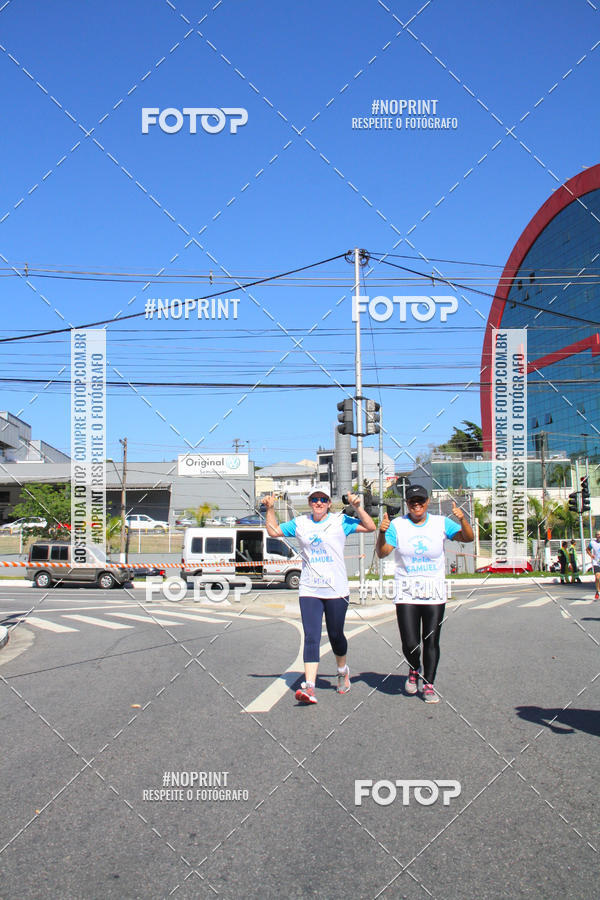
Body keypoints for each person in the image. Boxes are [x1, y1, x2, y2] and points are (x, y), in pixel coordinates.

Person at [264, 486, 375, 705]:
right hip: (309, 589)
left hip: (336, 589)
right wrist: (270, 509)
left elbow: (370, 527)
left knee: (336, 635)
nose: (318, 503)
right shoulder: (300, 523)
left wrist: (358, 508)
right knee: (312, 636)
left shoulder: (340, 521)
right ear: (309, 502)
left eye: (323, 499)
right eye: (314, 499)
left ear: (329, 503)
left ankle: (342, 670)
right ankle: (310, 687)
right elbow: (273, 531)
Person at [375, 485, 473, 704]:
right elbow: (382, 553)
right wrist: (381, 533)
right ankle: (414, 668)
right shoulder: (397, 525)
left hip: (434, 592)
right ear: (407, 504)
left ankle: (429, 684)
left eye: (420, 501)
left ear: (427, 502)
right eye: (412, 502)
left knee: (431, 640)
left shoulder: (440, 523)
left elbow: (468, 538)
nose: (416, 505)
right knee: (410, 643)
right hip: (407, 591)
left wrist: (463, 521)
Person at [586, 530, 600, 600]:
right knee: (597, 577)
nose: (599, 536)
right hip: (596, 562)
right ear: (596, 536)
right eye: (598, 534)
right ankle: (598, 591)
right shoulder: (592, 543)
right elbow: (587, 549)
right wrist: (591, 555)